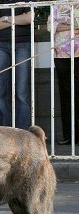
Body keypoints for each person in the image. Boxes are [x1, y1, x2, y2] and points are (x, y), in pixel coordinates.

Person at [0, 0, 32, 129]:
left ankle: (23, 132)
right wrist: (17, 19)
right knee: (0, 92)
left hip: (23, 44)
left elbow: (29, 18)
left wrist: (6, 18)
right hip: (0, 45)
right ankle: (4, 131)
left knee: (21, 92)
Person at [52, 3, 79, 145]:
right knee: (66, 94)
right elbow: (51, 27)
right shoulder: (57, 5)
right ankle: (69, 135)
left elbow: (57, 26)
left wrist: (63, 25)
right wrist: (74, 26)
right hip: (61, 53)